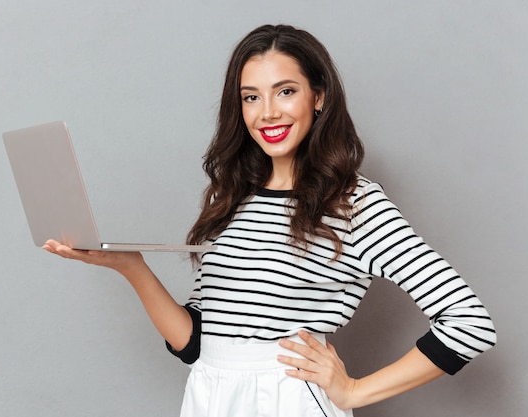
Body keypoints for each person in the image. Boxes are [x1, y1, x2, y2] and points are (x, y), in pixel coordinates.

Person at [43, 24, 496, 417]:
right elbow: (198, 344)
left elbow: (468, 323)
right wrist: (133, 268)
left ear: (318, 97)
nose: (268, 112)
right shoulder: (230, 196)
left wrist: (355, 390)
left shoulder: (354, 203)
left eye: (285, 91)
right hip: (209, 394)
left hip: (288, 399)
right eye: (251, 97)